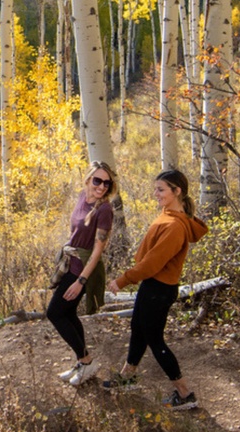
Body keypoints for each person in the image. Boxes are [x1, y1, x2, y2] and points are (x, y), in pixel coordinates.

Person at [102, 169, 207, 410]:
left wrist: (123, 280)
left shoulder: (175, 226)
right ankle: (127, 376)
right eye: (156, 189)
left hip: (159, 289)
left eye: (161, 190)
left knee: (155, 340)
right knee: (138, 329)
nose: (155, 194)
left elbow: (153, 262)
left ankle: (185, 393)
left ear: (177, 191)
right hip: (153, 286)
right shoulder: (169, 216)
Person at [46, 161, 118, 387]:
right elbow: (75, 230)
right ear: (88, 179)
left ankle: (87, 361)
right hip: (70, 263)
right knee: (67, 314)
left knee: (55, 313)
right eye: (97, 180)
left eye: (107, 182)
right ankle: (82, 362)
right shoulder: (81, 197)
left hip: (83, 269)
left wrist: (81, 281)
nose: (102, 186)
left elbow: (98, 250)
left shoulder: (105, 209)